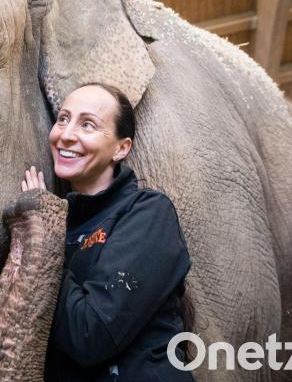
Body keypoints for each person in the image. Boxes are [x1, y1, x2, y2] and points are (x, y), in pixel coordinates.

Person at [21, 83, 194, 381]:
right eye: (63, 119)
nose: (66, 134)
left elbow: (91, 334)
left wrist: (43, 236)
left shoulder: (148, 213)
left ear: (121, 148)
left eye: (87, 124)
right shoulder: (62, 222)